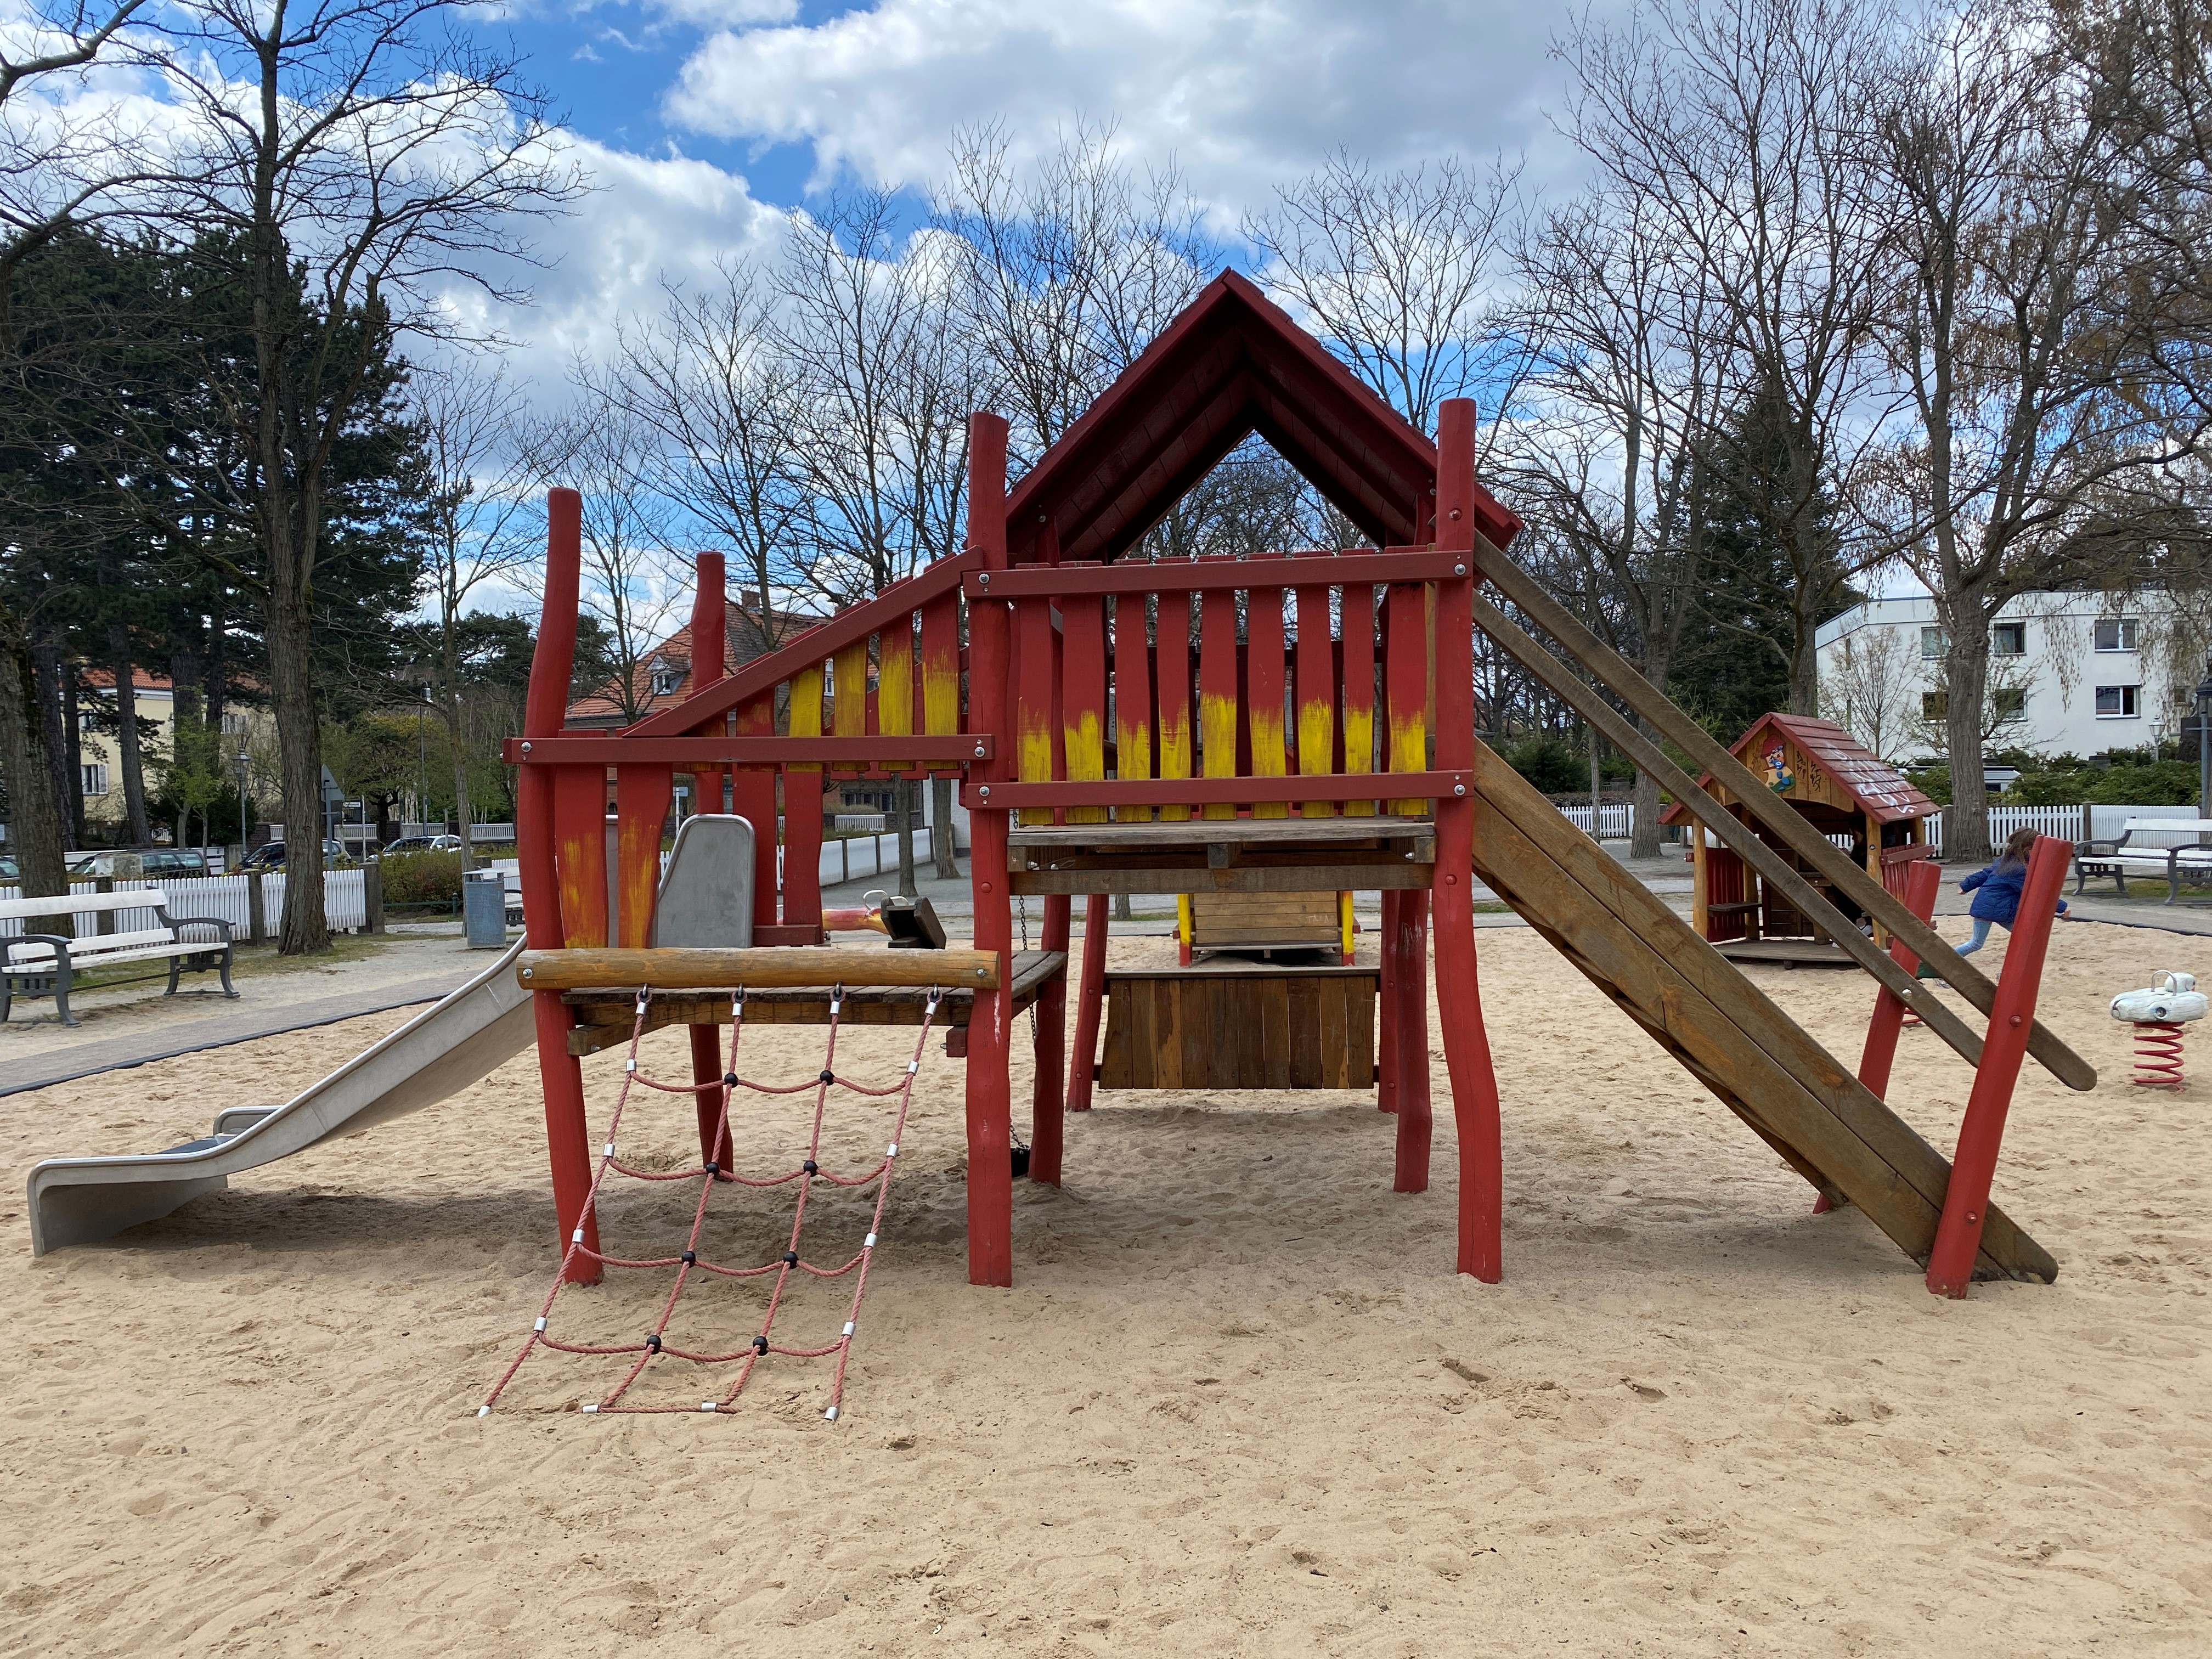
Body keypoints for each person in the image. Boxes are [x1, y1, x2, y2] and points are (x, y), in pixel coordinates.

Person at [1921, 827, 2068, 973]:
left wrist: (1966, 885)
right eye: (2038, 848)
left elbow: (1986, 873)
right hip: (1992, 910)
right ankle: (1941, 967)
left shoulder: (2006, 861)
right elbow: (2036, 893)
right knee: (1976, 943)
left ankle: (2008, 972)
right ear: (2028, 849)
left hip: (1996, 908)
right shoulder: (2018, 870)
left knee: (2023, 938)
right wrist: (2061, 907)